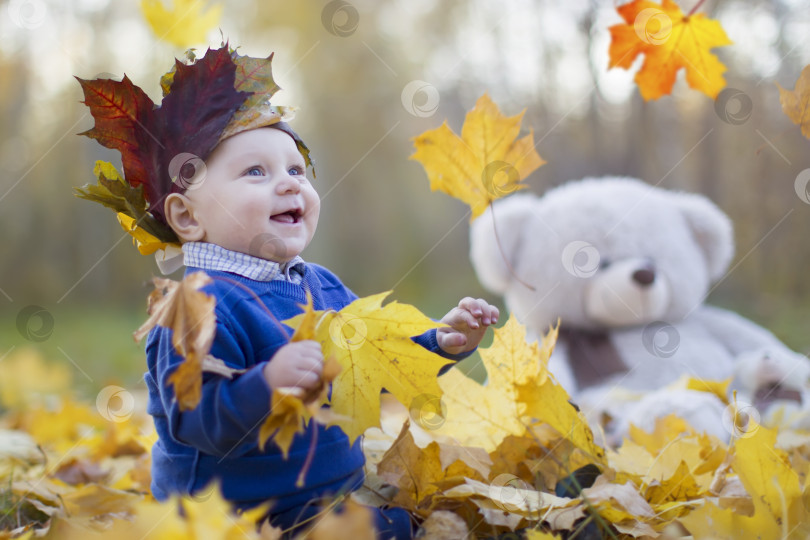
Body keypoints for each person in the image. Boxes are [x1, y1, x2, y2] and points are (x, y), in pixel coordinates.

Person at [76, 45, 498, 540]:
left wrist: (439, 343)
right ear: (188, 216)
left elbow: (372, 371)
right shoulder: (194, 307)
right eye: (256, 172)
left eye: (296, 170)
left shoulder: (321, 285)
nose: (288, 185)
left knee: (394, 523)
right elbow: (195, 420)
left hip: (325, 503)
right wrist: (266, 382)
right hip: (227, 518)